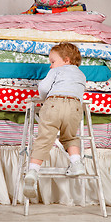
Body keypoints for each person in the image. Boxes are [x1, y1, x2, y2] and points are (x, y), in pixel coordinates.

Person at [23, 42, 86, 198]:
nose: (51, 66)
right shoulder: (82, 75)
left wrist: (45, 98)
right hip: (75, 106)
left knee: (44, 138)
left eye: (52, 62)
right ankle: (76, 163)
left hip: (54, 104)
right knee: (70, 137)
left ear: (66, 60)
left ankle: (32, 171)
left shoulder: (57, 71)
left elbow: (44, 88)